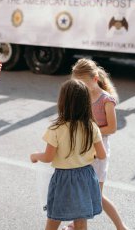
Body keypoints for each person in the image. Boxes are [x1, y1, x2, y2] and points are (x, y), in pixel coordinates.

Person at [30, 79, 106, 230]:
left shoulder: (56, 128)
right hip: (85, 176)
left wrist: (35, 156)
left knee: (54, 217)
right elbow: (102, 155)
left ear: (63, 102)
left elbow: (48, 157)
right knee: (81, 218)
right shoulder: (92, 126)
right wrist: (86, 156)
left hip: (64, 179)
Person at [70, 58, 129, 230]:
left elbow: (112, 128)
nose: (78, 87)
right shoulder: (81, 96)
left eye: (82, 83)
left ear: (95, 79)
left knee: (96, 195)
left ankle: (121, 226)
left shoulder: (106, 100)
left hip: (99, 149)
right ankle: (77, 225)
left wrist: (91, 131)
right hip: (81, 148)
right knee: (78, 190)